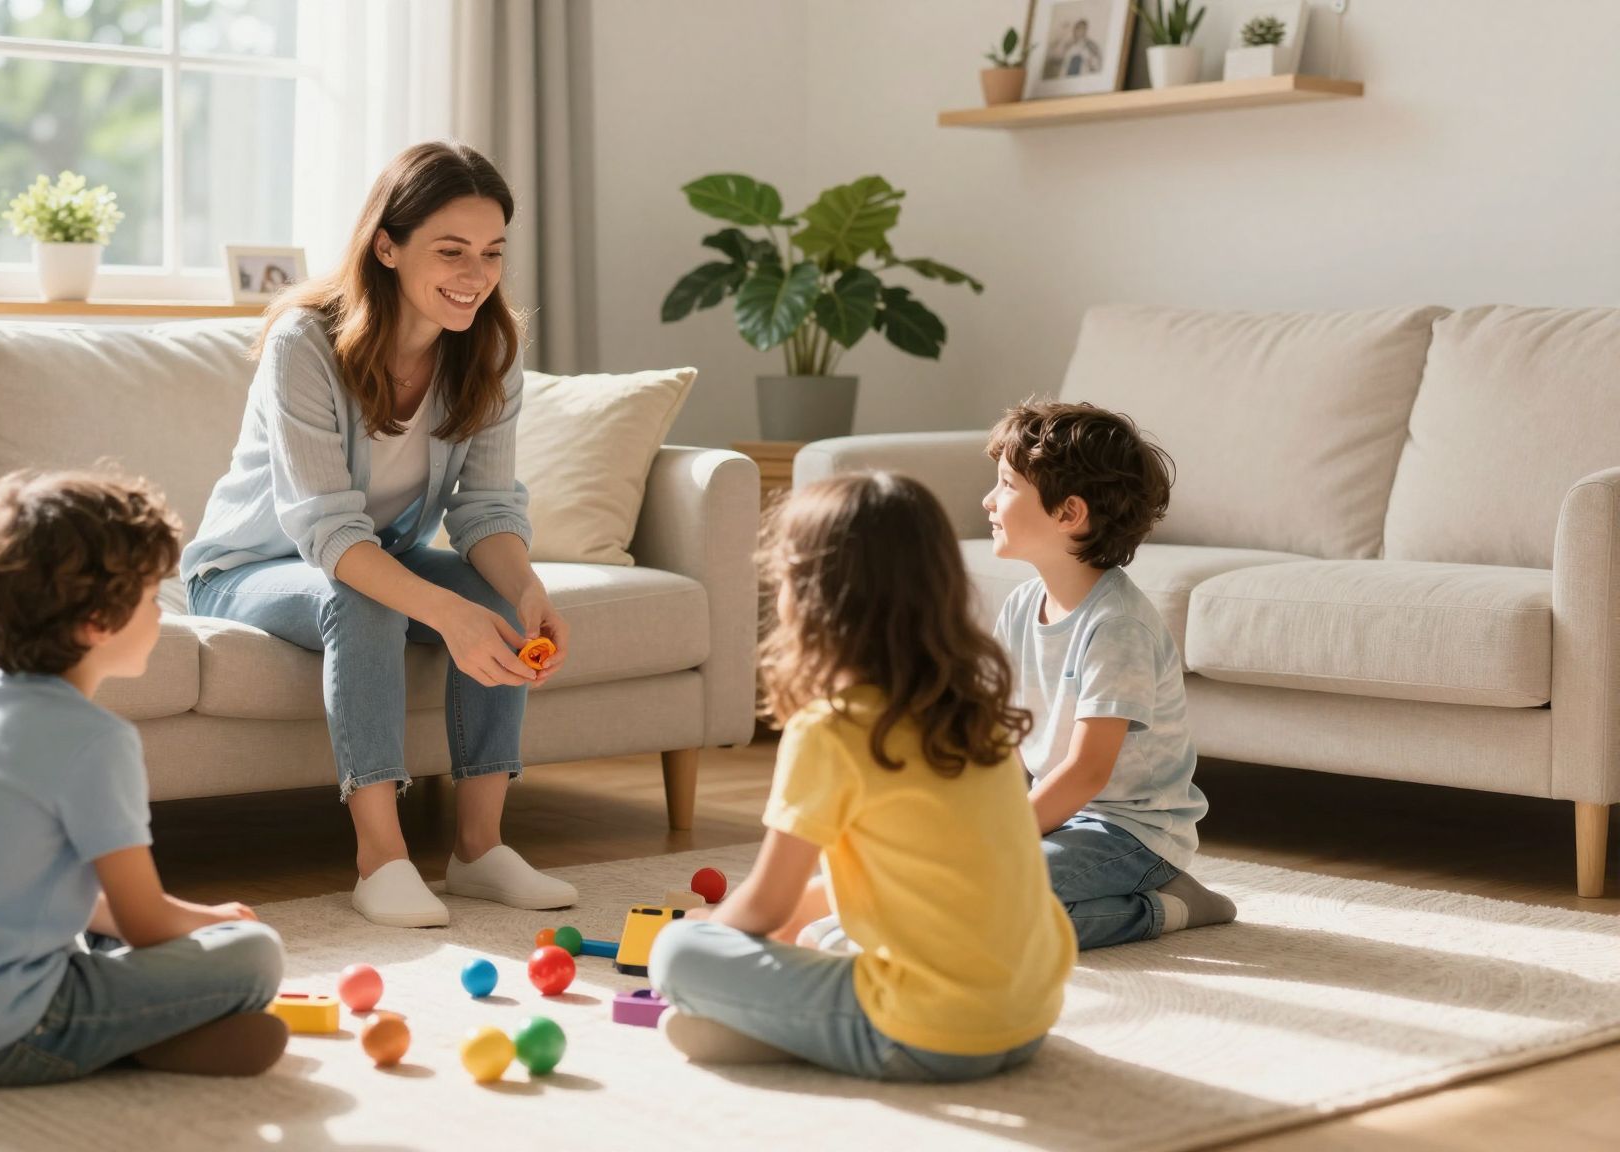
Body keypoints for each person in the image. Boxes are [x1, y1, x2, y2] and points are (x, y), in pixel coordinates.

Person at [183, 141, 575, 928]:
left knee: (493, 591)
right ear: (387, 246)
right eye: (452, 251)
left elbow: (487, 509)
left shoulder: (492, 350)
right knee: (367, 604)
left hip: (375, 555)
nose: (475, 275)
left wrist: (525, 589)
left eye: (493, 253)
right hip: (251, 565)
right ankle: (381, 860)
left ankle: (478, 850)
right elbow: (328, 533)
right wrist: (442, 611)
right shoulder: (305, 344)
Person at [0, 470, 289, 1086]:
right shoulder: (96, 741)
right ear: (97, 621)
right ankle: (124, 1039)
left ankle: (137, 1027)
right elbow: (146, 922)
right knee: (255, 955)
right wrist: (220, 920)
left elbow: (34, 890)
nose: (160, 614)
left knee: (90, 925)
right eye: (150, 596)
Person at [647, 473, 1075, 1081]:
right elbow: (895, 885)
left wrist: (711, 929)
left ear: (809, 597)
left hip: (929, 1036)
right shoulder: (977, 716)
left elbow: (767, 906)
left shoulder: (830, 730)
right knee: (828, 930)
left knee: (679, 954)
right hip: (1028, 1016)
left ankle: (783, 1032)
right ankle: (780, 1025)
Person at [982, 400, 1236, 950]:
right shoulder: (1020, 607)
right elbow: (1000, 740)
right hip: (1061, 817)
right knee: (945, 882)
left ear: (1069, 514)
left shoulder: (1118, 626)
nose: (987, 500)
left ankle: (1167, 907)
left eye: (1005, 485)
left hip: (1132, 832)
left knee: (984, 908)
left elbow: (1086, 772)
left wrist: (1000, 842)